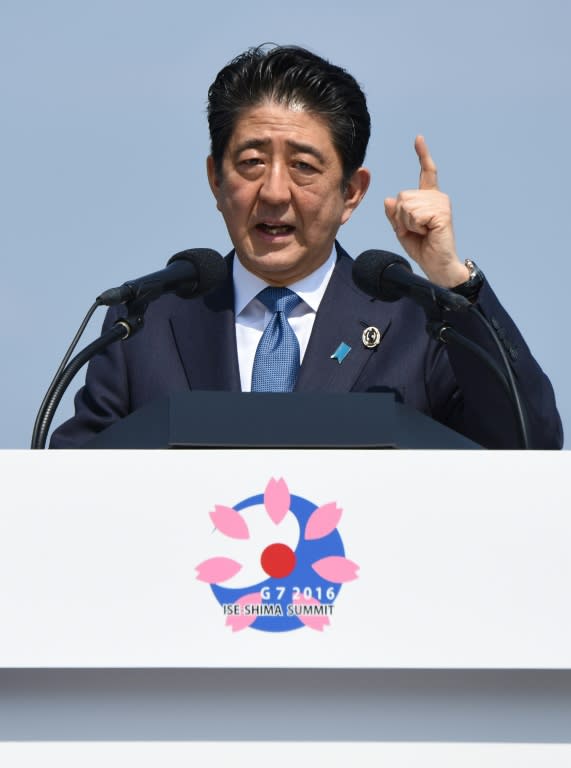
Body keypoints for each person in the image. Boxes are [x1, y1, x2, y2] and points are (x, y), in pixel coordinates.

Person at [50, 45, 562, 449]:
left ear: (351, 193)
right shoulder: (145, 320)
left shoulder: (418, 320)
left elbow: (529, 445)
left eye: (304, 166)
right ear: (215, 179)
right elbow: (71, 490)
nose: (274, 191)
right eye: (251, 161)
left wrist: (452, 280)